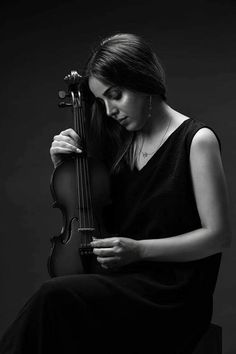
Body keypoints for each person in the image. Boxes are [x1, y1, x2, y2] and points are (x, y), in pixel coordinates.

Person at [0, 33, 231, 354]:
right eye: (102, 101)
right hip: (124, 281)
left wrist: (139, 250)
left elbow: (217, 236)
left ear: (144, 81)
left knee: (52, 298)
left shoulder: (197, 140)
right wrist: (64, 166)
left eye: (116, 95)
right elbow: (99, 218)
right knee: (58, 313)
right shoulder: (119, 141)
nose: (109, 110)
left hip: (172, 294)